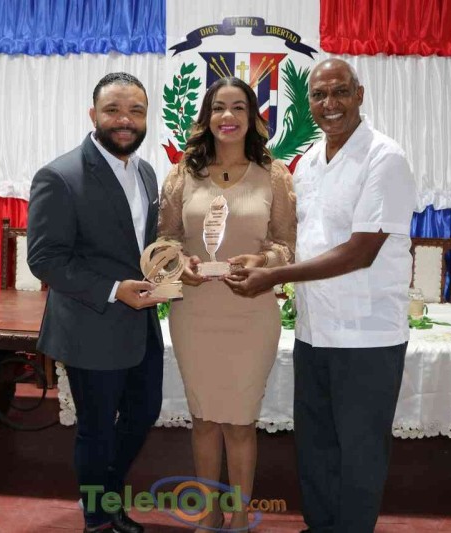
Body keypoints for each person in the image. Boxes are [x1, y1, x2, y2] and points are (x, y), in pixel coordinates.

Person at [226, 59, 417, 533]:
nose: (329, 104)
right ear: (308, 102)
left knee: (360, 450)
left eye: (340, 92)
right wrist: (264, 261)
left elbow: (361, 251)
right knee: (315, 445)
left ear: (359, 95)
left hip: (367, 335)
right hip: (314, 330)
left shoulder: (384, 158)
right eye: (318, 95)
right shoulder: (310, 161)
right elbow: (305, 240)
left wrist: (274, 276)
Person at [27, 72, 166, 533]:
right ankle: (98, 518)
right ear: (93, 115)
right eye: (113, 110)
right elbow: (44, 259)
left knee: (144, 414)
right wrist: (113, 289)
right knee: (97, 428)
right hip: (90, 324)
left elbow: (141, 246)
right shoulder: (59, 176)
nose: (125, 120)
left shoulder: (146, 172)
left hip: (141, 325)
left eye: (136, 111)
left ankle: (106, 492)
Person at [157, 76, 296, 532]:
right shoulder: (183, 174)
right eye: (219, 107)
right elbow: (165, 239)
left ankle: (238, 517)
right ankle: (208, 512)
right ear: (207, 116)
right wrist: (180, 263)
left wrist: (263, 261)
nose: (228, 116)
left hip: (251, 312)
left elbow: (286, 246)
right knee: (203, 420)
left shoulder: (274, 175)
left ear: (253, 117)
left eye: (238, 107)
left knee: (239, 422)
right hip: (195, 312)